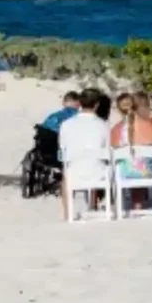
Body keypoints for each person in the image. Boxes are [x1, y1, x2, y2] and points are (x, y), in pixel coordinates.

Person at [57, 87, 112, 219]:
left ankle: (67, 213)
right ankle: (92, 206)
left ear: (80, 103)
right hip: (98, 173)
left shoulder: (66, 124)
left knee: (66, 176)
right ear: (97, 105)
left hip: (74, 171)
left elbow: (62, 147)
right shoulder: (103, 125)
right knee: (96, 163)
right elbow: (107, 149)